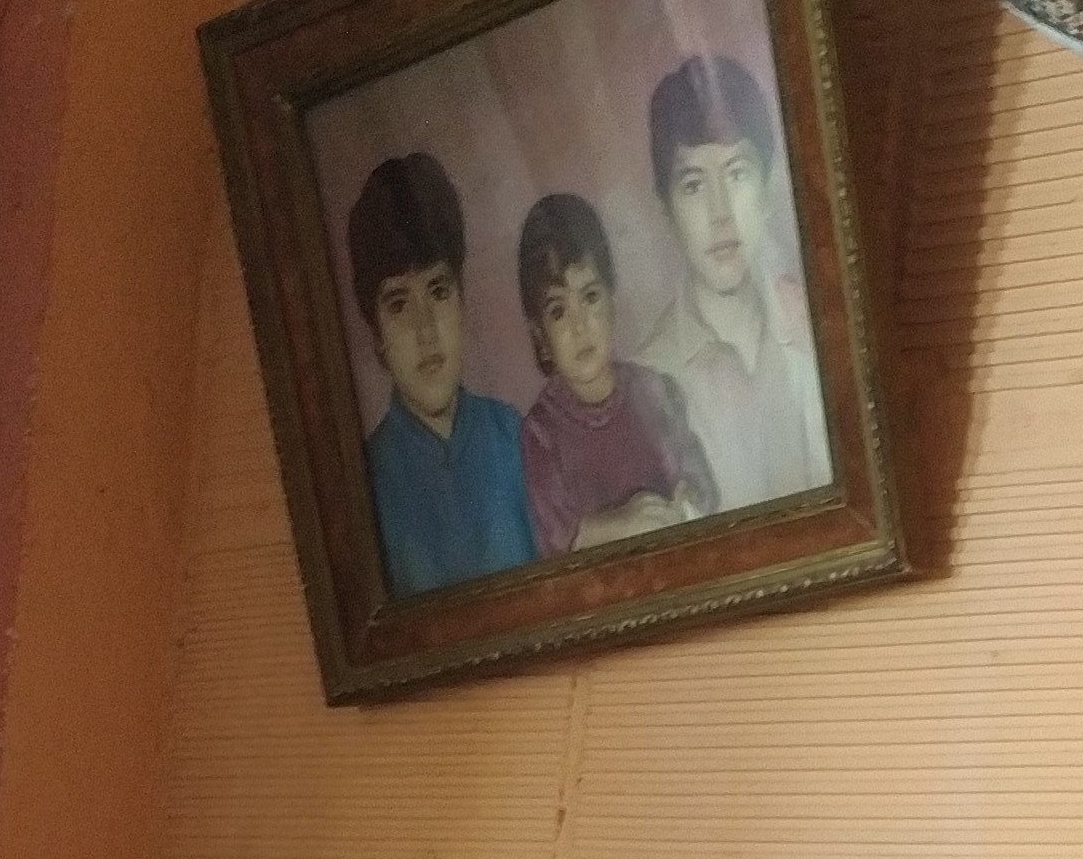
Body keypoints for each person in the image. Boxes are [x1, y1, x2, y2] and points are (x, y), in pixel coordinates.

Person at [633, 53, 832, 514]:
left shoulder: (820, 325)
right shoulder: (646, 384)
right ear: (666, 211)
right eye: (694, 185)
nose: (720, 214)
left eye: (737, 173)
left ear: (767, 189)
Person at [344, 151, 535, 598]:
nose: (426, 330)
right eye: (398, 305)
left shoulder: (517, 437)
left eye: (438, 291)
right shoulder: (365, 487)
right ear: (377, 337)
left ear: (462, 301)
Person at [512, 191, 715, 556]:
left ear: (612, 301)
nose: (579, 326)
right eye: (558, 311)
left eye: (590, 297)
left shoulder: (656, 392)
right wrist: (621, 525)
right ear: (540, 336)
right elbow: (554, 538)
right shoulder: (541, 434)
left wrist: (685, 502)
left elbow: (701, 482)